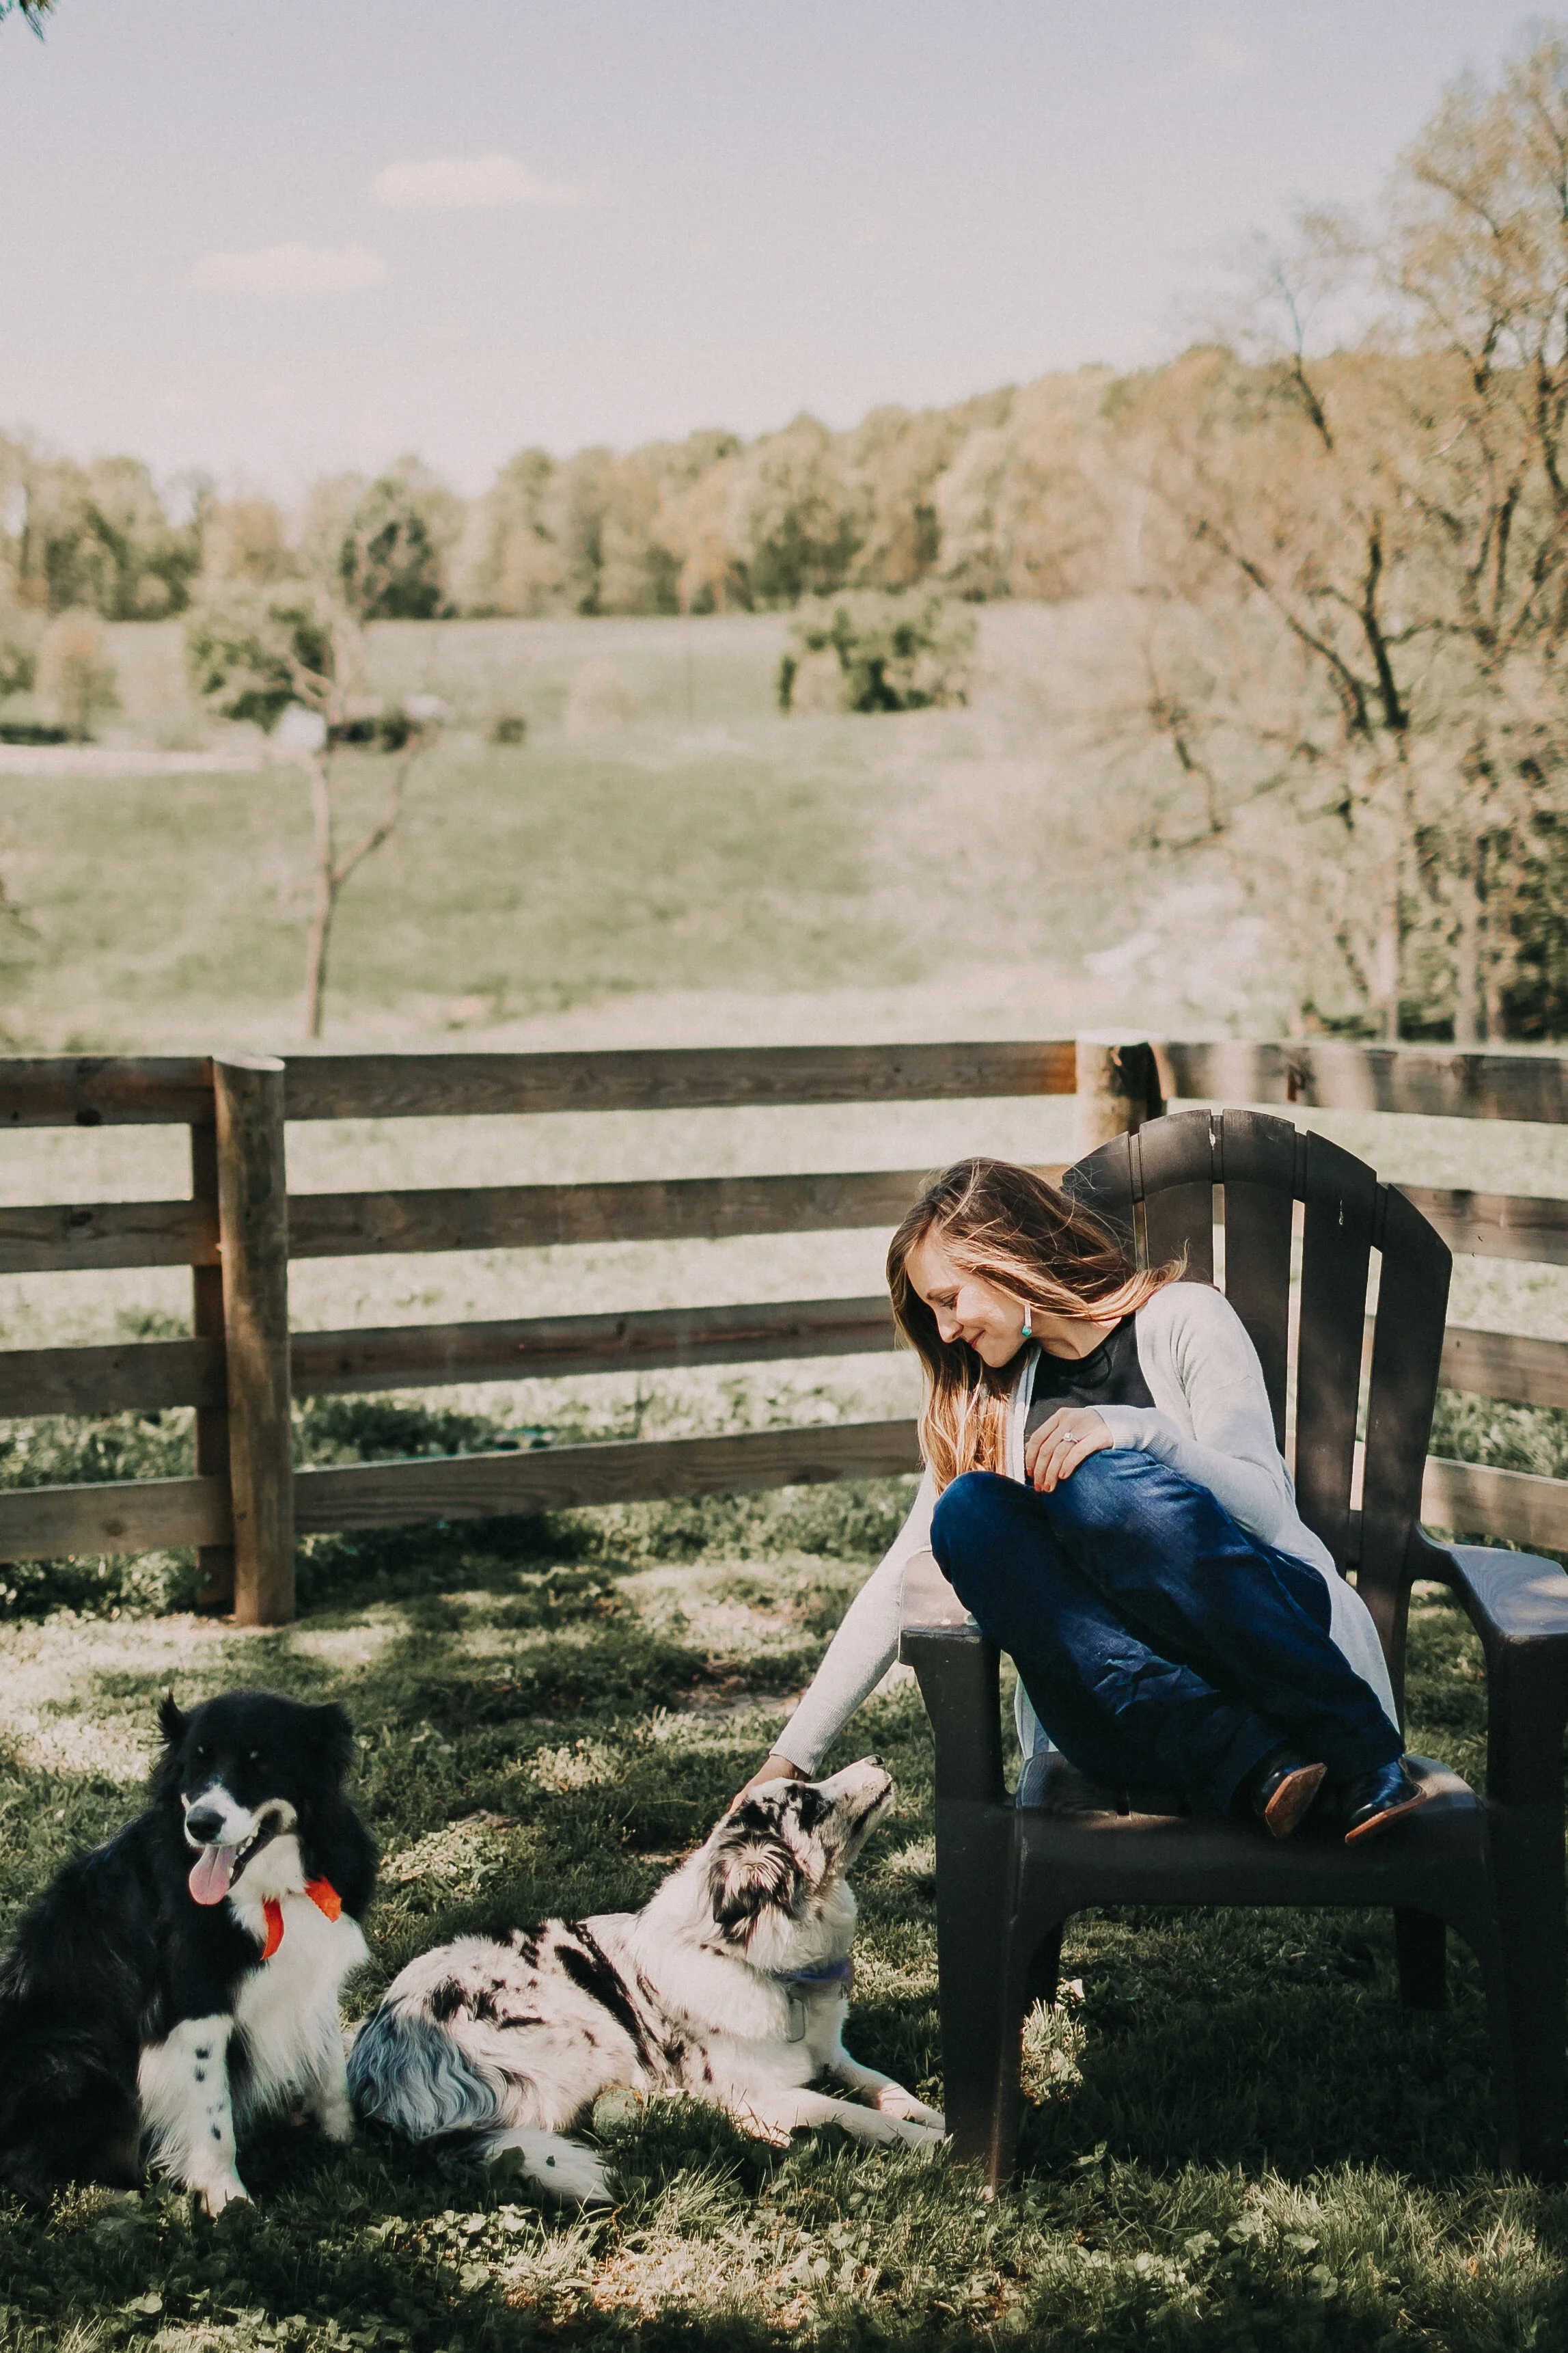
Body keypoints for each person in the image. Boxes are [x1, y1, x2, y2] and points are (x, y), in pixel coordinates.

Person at [736, 1156, 1426, 1844]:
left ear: (1008, 1256)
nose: (946, 1330)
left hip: (1282, 1658)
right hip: (1141, 1724)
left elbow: (1267, 1510)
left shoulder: (1185, 1319)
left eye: (950, 1299)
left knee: (1095, 1480)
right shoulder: (996, 1401)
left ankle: (1351, 1751)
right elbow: (899, 1579)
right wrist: (788, 1759)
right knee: (969, 1512)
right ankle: (1253, 1762)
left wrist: (1136, 1432)